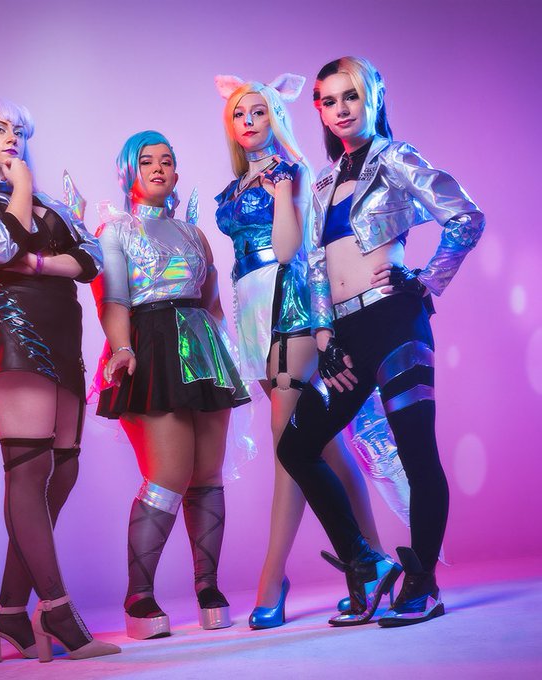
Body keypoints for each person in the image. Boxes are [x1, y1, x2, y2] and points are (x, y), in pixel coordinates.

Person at [277, 56, 485, 627]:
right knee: (296, 447)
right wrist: (325, 337)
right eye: (329, 101)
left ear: (372, 99)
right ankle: (366, 564)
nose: (341, 109)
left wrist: (426, 279)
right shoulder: (323, 182)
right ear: (319, 111)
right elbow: (316, 267)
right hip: (345, 336)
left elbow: (465, 217)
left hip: (396, 323)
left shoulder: (397, 158)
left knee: (416, 453)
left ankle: (423, 583)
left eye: (351, 96)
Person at [0, 98, 120, 661]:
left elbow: (91, 259)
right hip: (13, 337)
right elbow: (0, 246)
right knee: (29, 470)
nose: (11, 137)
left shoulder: (50, 202)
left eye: (17, 130)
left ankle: (10, 610)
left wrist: (37, 262)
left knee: (64, 469)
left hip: (64, 337)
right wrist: (21, 191)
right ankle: (55, 610)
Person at [214, 73, 396, 628]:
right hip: (252, 313)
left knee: (286, 446)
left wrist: (279, 195)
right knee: (325, 445)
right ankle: (373, 563)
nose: (249, 121)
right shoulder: (236, 183)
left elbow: (291, 249)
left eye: (259, 112)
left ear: (276, 117)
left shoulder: (290, 172)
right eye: (239, 113)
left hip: (291, 303)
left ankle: (273, 580)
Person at [92, 130, 250, 639]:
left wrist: (230, 354)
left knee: (207, 473)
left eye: (166, 160)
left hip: (202, 348)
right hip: (151, 344)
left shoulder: (194, 234)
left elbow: (212, 303)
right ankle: (138, 596)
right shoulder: (115, 231)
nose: (158, 168)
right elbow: (113, 299)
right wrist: (122, 348)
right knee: (168, 474)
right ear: (129, 172)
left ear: (177, 173)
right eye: (146, 161)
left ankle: (208, 588)